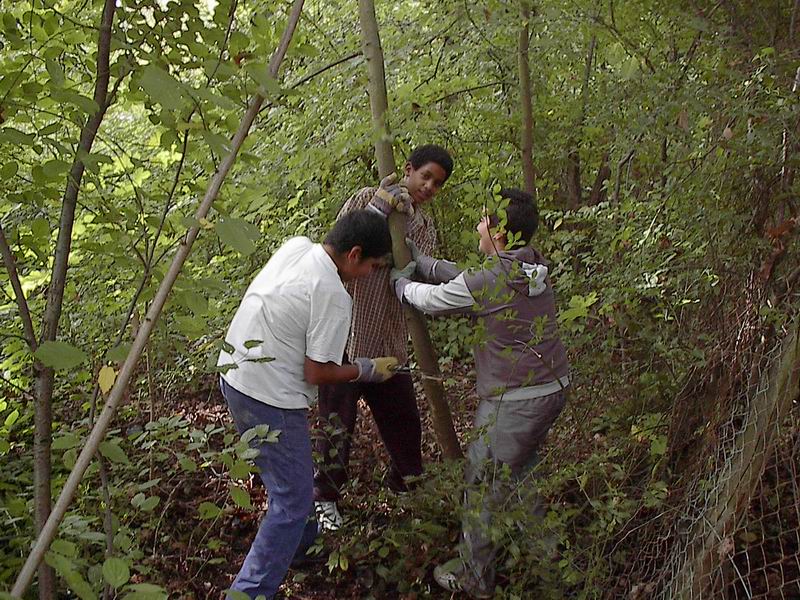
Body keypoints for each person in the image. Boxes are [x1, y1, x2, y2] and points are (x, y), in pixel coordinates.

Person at [390, 188, 570, 599]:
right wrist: (425, 263)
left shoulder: (492, 279)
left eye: (484, 220)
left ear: (500, 233)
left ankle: (476, 576)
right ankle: (551, 564)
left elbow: (435, 300)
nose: (478, 226)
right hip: (551, 389)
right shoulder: (530, 265)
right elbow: (469, 278)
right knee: (520, 475)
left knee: (483, 482)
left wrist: (403, 285)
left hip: (517, 400)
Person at [217, 209, 399, 600]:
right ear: (354, 254)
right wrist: (366, 369)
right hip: (270, 397)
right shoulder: (333, 295)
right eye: (371, 266)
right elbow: (318, 372)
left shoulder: (298, 247)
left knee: (291, 480)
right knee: (293, 501)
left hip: (234, 375)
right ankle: (248, 593)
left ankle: (301, 549)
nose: (370, 274)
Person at [313, 144, 454, 530]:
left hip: (389, 341)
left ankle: (406, 487)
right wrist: (379, 210)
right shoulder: (367, 199)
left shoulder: (423, 225)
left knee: (404, 422)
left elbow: (422, 274)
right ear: (408, 169)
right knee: (336, 426)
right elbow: (336, 248)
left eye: (437, 183)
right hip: (345, 340)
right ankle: (325, 498)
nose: (429, 187)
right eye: (425, 176)